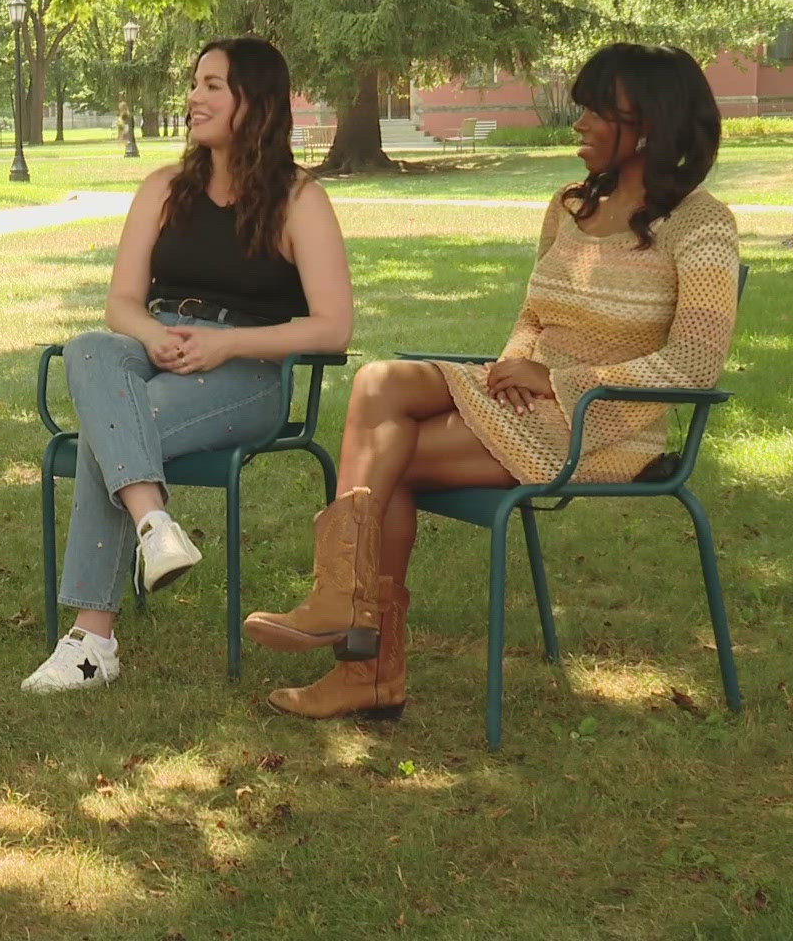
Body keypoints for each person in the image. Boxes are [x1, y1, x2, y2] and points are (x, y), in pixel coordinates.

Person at [242, 43, 739, 721]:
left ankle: (364, 657)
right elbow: (534, 315)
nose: (580, 125)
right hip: (525, 404)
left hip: (607, 427)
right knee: (381, 382)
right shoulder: (568, 206)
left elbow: (695, 362)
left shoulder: (702, 224)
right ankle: (343, 606)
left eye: (597, 112)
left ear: (648, 124)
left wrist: (561, 383)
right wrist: (512, 368)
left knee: (392, 464)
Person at [21, 38, 353, 693]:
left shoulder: (299, 199)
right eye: (194, 83)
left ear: (252, 103)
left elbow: (334, 326)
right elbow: (121, 302)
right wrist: (150, 335)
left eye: (212, 86)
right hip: (158, 345)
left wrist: (225, 345)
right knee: (90, 348)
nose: (194, 98)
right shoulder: (165, 189)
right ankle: (154, 525)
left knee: (109, 429)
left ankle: (93, 642)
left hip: (250, 370)